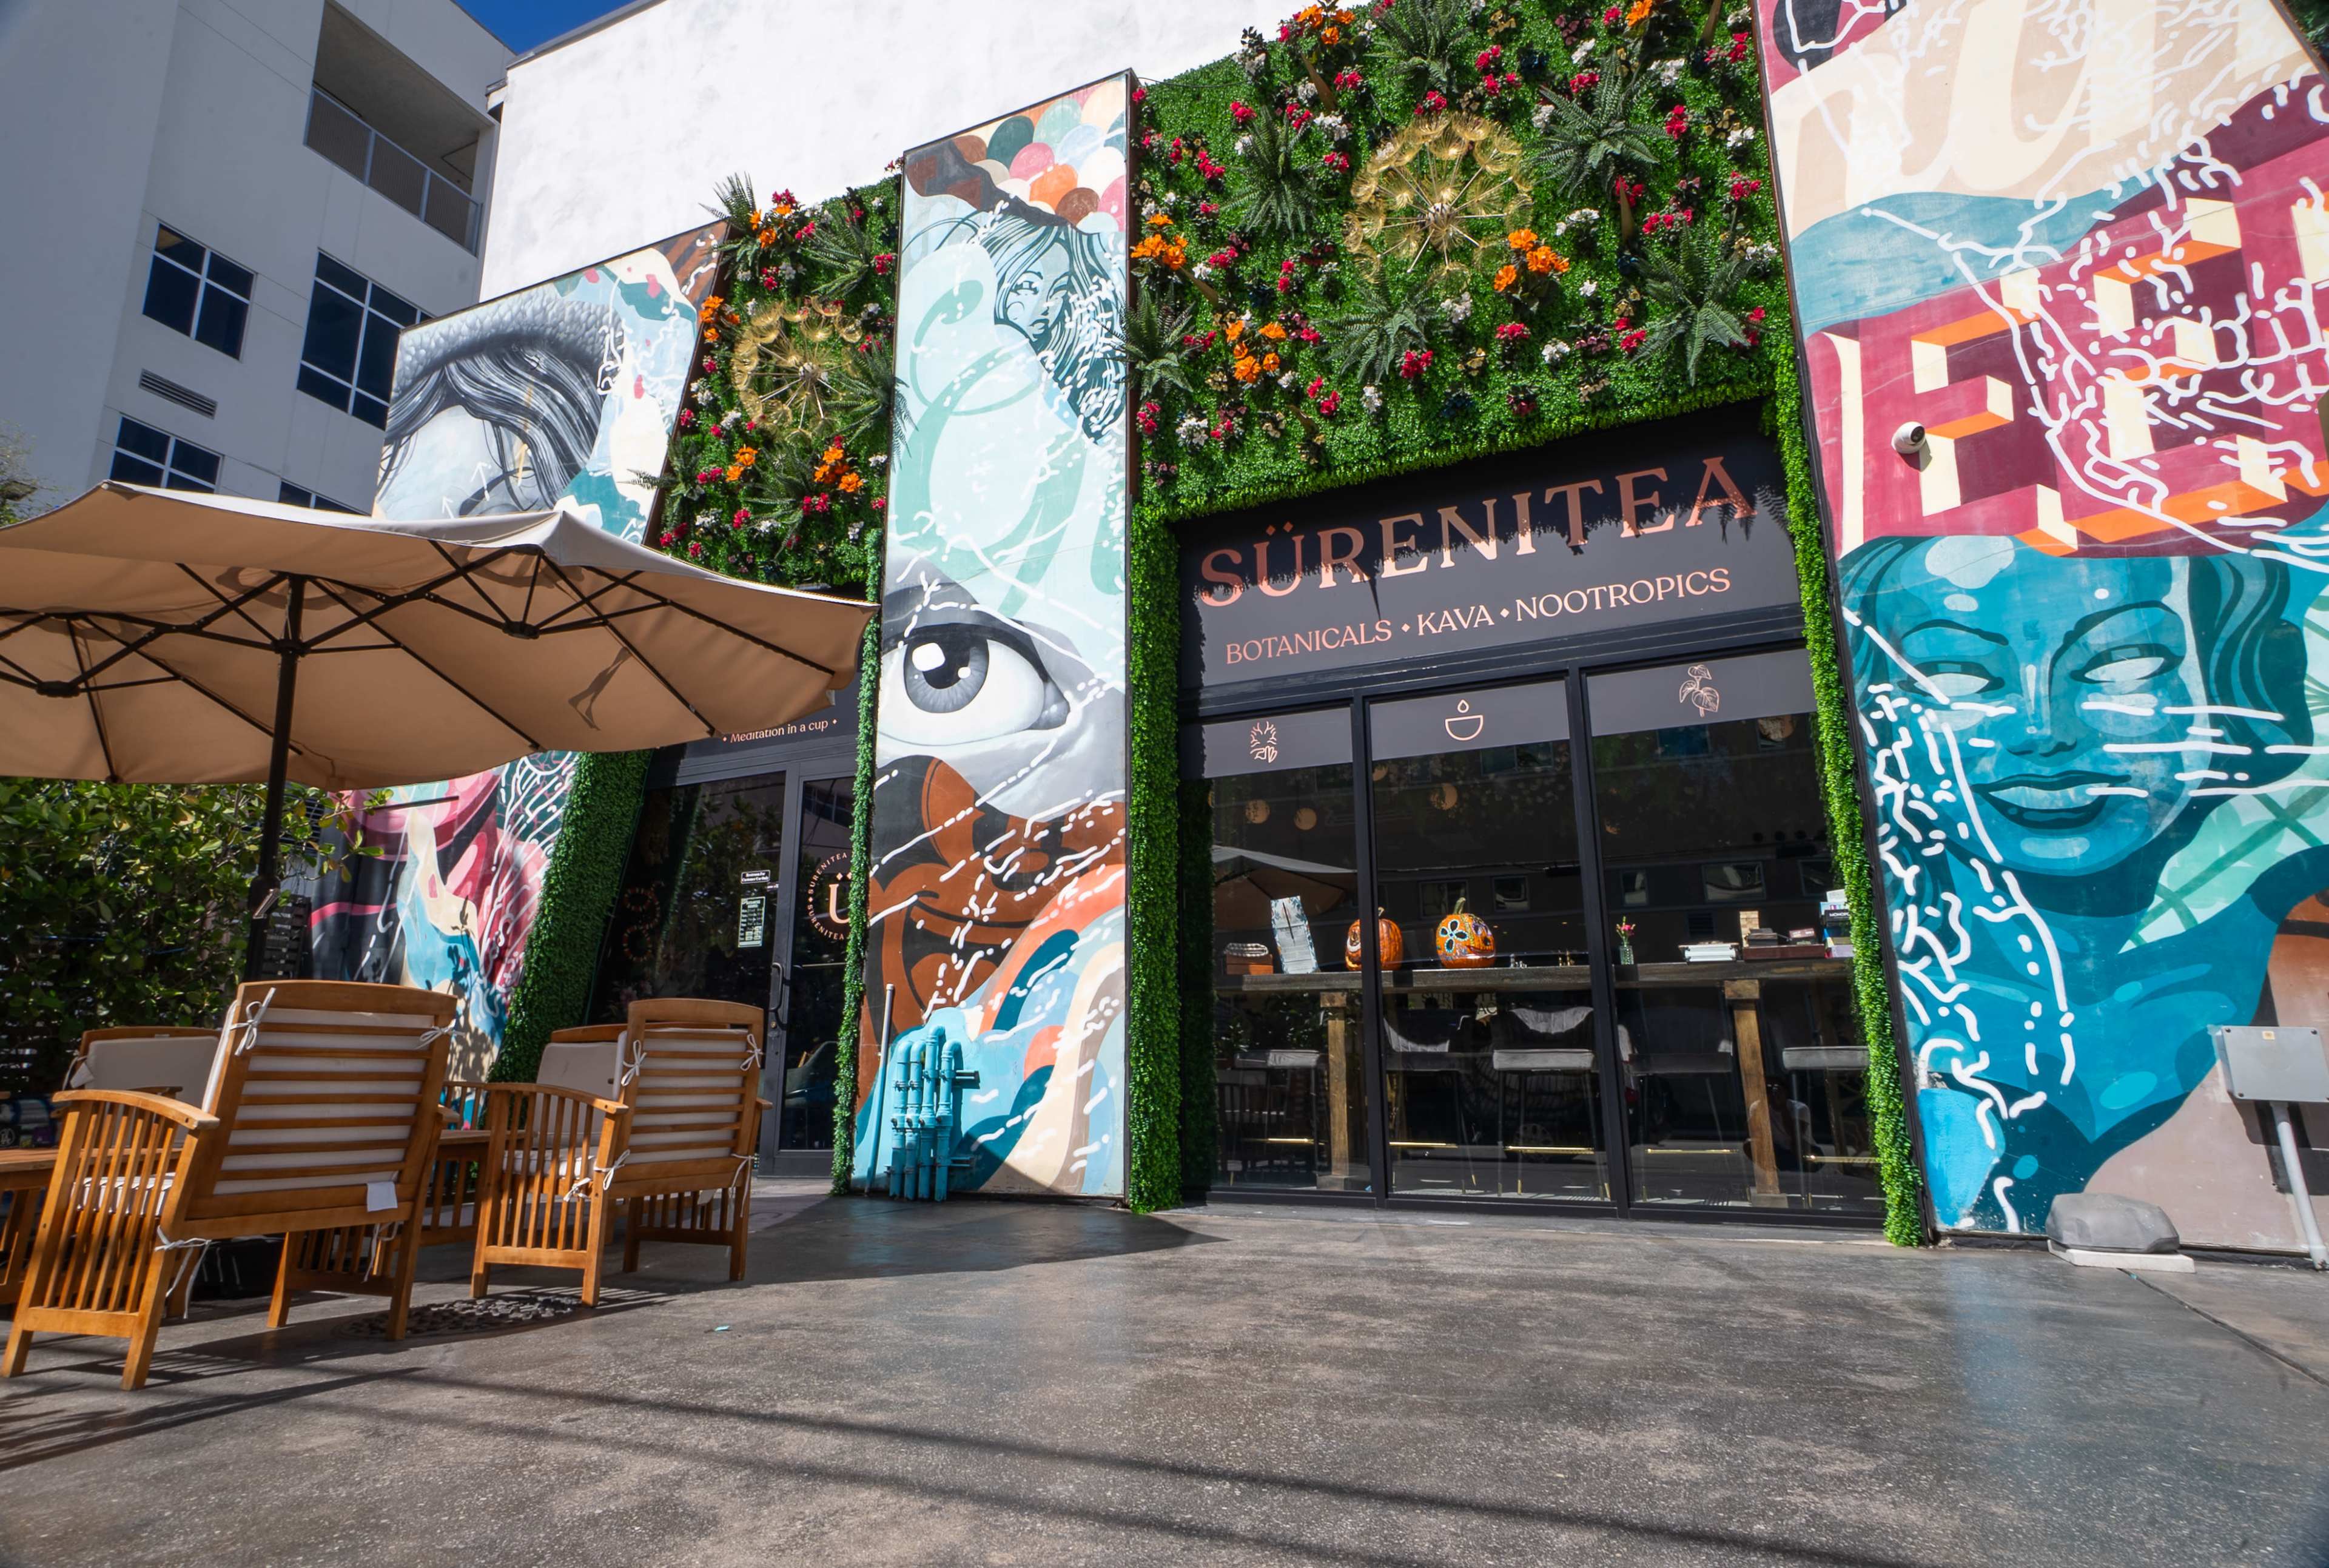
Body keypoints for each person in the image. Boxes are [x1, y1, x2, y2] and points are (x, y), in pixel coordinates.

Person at [1840, 533, 2328, 1229]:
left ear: (2232, 671)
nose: (2043, 730)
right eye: (1955, 676)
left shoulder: (2296, 924)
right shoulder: (1929, 967)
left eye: (2123, 661)